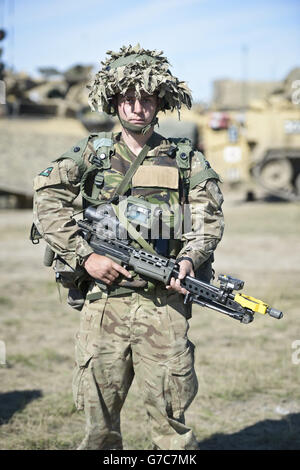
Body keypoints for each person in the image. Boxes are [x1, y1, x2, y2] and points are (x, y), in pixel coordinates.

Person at [33, 44, 224, 450]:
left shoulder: (185, 160)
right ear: (114, 101)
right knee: (99, 426)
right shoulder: (91, 154)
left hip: (164, 306)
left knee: (171, 425)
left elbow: (208, 220)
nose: (137, 108)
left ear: (160, 102)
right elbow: (47, 199)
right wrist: (86, 258)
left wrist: (190, 259)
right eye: (128, 98)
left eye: (147, 98)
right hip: (104, 305)